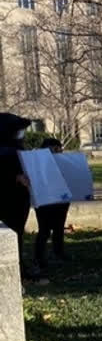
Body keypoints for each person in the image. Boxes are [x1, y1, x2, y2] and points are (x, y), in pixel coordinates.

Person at [0, 113, 34, 278]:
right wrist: (14, 177)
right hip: (7, 198)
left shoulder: (18, 147)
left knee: (18, 233)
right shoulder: (4, 150)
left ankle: (19, 264)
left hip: (20, 197)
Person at [33, 138, 71, 271]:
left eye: (58, 149)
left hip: (61, 200)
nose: (57, 152)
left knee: (59, 227)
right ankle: (39, 257)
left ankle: (59, 252)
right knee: (44, 229)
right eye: (54, 149)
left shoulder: (65, 162)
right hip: (44, 201)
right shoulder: (37, 162)